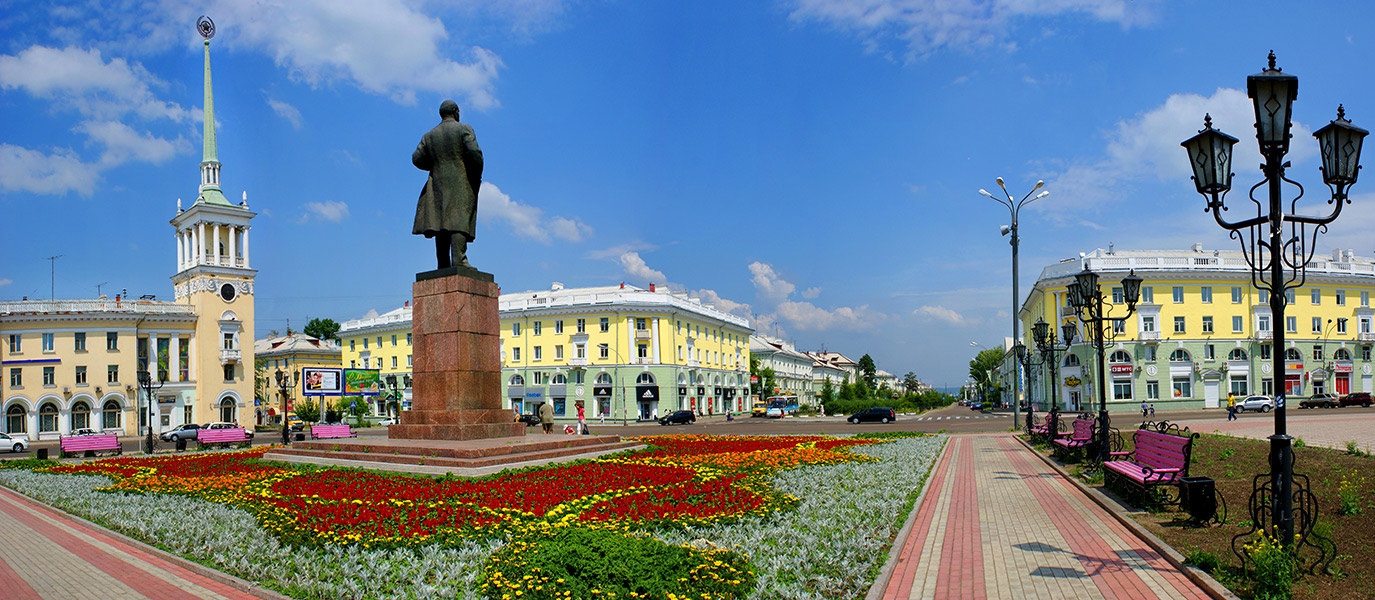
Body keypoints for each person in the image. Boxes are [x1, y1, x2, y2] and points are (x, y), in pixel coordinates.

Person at [413, 99, 484, 270]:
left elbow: (416, 158)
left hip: (436, 182)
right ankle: (460, 260)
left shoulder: (429, 135)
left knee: (441, 222)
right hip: (460, 179)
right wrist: (475, 173)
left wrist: (435, 164)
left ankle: (443, 262)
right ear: (456, 112)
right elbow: (474, 153)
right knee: (458, 217)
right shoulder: (463, 129)